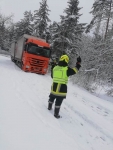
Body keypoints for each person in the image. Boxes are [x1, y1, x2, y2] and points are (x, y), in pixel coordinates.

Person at [48, 54, 81, 118]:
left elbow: (52, 76)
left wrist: (53, 65)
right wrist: (78, 63)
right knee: (58, 102)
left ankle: (49, 107)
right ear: (67, 61)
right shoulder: (67, 69)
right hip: (61, 89)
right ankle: (56, 114)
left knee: (51, 98)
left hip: (54, 88)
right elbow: (75, 70)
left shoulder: (55, 68)